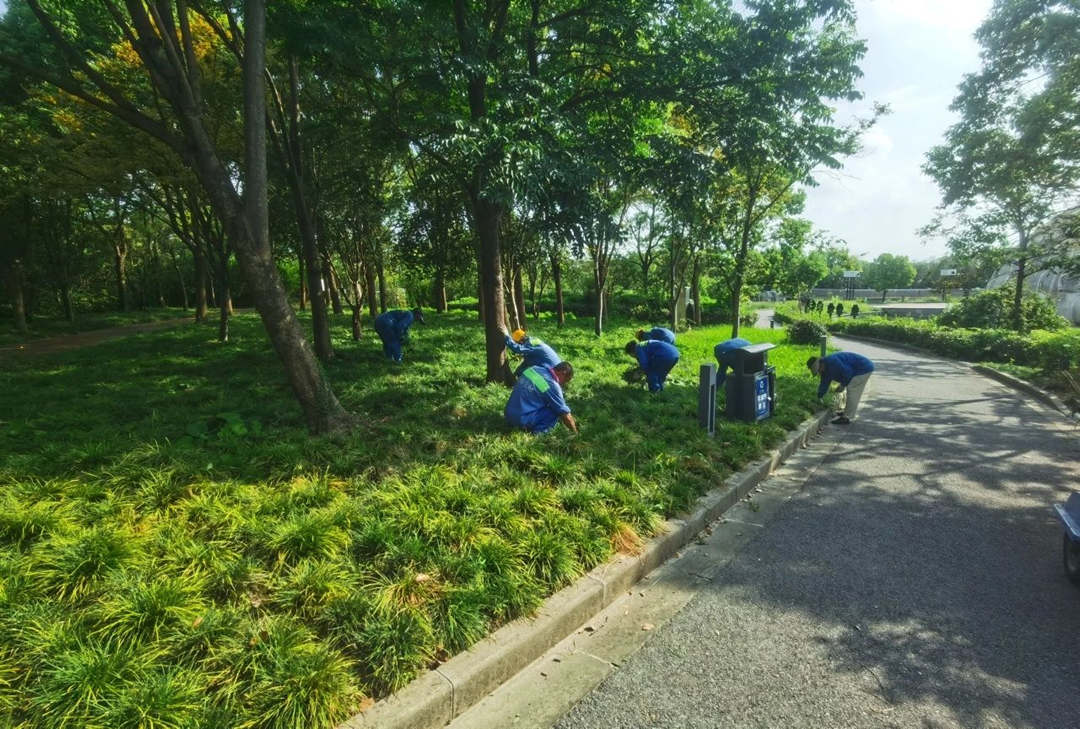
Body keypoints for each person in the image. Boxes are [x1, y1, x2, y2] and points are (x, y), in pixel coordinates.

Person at [504, 361, 578, 434]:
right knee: (555, 411)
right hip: (521, 419)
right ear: (563, 373)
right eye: (565, 381)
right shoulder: (552, 385)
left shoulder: (534, 369)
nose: (563, 384)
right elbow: (564, 413)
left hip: (508, 415)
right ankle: (539, 433)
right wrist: (575, 432)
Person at [807, 352, 874, 424]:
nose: (819, 372)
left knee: (852, 390)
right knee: (851, 389)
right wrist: (820, 396)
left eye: (818, 370)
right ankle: (847, 412)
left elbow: (848, 373)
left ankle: (847, 417)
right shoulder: (825, 370)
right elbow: (824, 383)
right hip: (858, 369)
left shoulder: (833, 362)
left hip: (863, 368)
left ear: (821, 364)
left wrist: (842, 385)